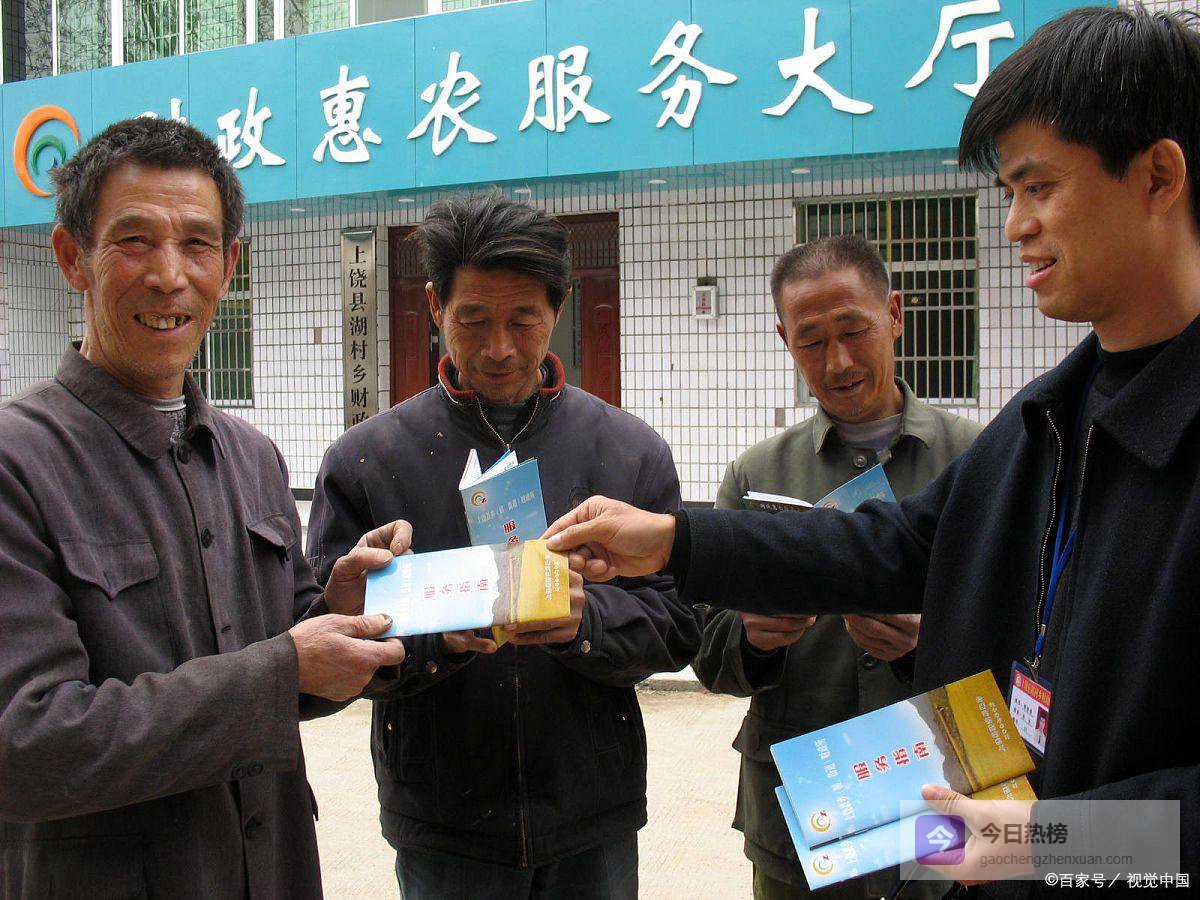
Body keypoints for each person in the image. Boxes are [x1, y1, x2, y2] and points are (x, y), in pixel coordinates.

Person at [546, 6, 1200, 889]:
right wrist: (672, 540)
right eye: (1009, 193)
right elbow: (891, 545)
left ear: (1158, 176)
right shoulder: (1048, 417)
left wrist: (1056, 841)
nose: (1014, 225)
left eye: (1039, 187)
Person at [0, 117, 408, 899]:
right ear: (71, 258)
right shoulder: (18, 464)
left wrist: (341, 610)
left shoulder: (252, 457)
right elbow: (26, 743)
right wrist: (282, 669)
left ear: (228, 267)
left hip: (272, 870)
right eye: (134, 242)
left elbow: (289, 657)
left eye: (196, 245)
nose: (169, 275)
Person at [306, 191, 701, 899]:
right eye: (473, 320)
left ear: (559, 307)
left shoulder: (628, 451)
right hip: (443, 819)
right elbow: (325, 644)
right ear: (435, 307)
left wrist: (587, 622)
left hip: (592, 813)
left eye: (523, 320)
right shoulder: (367, 460)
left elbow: (678, 625)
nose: (499, 348)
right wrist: (436, 640)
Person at [693, 235, 980, 899]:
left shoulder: (978, 459)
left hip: (938, 804)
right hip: (802, 816)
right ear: (784, 340)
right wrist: (751, 638)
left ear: (895, 315)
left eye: (854, 331)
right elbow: (706, 653)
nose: (838, 361)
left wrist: (925, 643)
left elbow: (1024, 636)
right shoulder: (757, 476)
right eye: (812, 341)